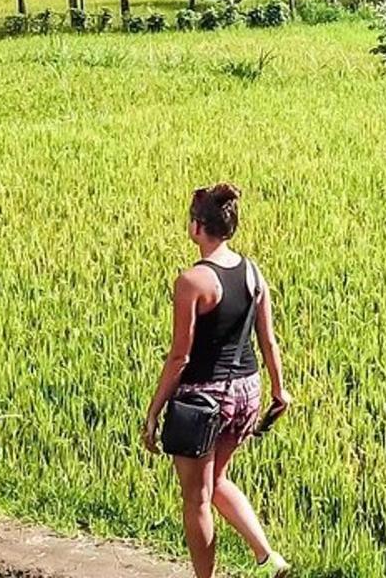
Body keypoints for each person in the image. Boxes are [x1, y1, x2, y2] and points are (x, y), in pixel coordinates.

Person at [143, 184, 293, 578]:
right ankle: (267, 559)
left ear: (196, 227)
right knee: (218, 478)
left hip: (204, 401)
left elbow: (180, 356)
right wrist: (279, 389)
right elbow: (268, 339)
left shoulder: (192, 281)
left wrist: (153, 412)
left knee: (196, 500)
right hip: (247, 391)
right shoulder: (253, 272)